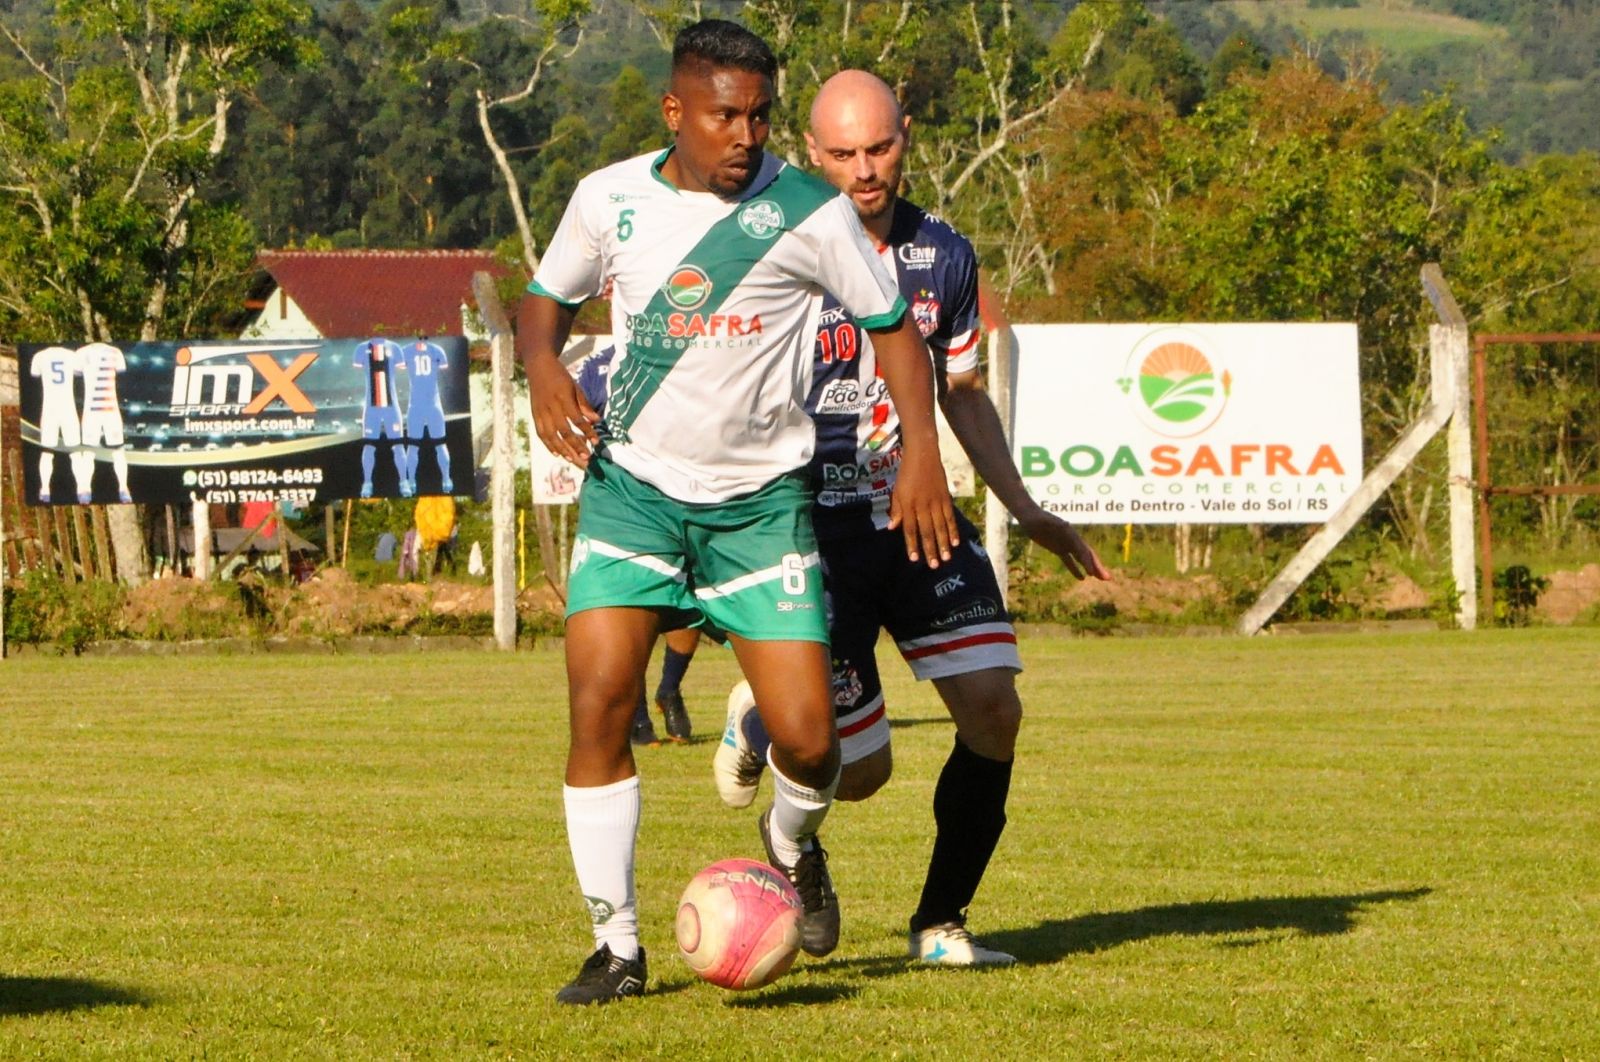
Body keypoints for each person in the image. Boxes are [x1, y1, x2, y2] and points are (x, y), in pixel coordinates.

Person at [519, 21, 958, 1005]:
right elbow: (542, 302)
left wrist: (923, 455)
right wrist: (544, 365)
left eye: (760, 116)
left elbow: (893, 333)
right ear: (675, 111)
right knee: (597, 704)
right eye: (724, 115)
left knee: (811, 745)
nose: (745, 136)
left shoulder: (811, 211)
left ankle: (788, 841)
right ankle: (617, 946)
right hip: (632, 493)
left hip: (762, 508)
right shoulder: (608, 198)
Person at [712, 70, 1111, 967]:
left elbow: (962, 392)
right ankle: (766, 733)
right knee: (861, 777)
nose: (864, 171)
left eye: (880, 148)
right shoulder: (768, 254)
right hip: (807, 535)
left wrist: (1025, 506)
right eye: (843, 154)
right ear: (811, 154)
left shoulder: (944, 255)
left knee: (994, 711)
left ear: (907, 138)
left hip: (919, 519)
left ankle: (940, 925)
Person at [576, 348, 697, 748]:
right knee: (634, 618)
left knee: (690, 614)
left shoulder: (689, 347)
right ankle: (639, 717)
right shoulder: (598, 365)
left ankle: (669, 688)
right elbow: (576, 425)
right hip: (629, 513)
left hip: (690, 503)